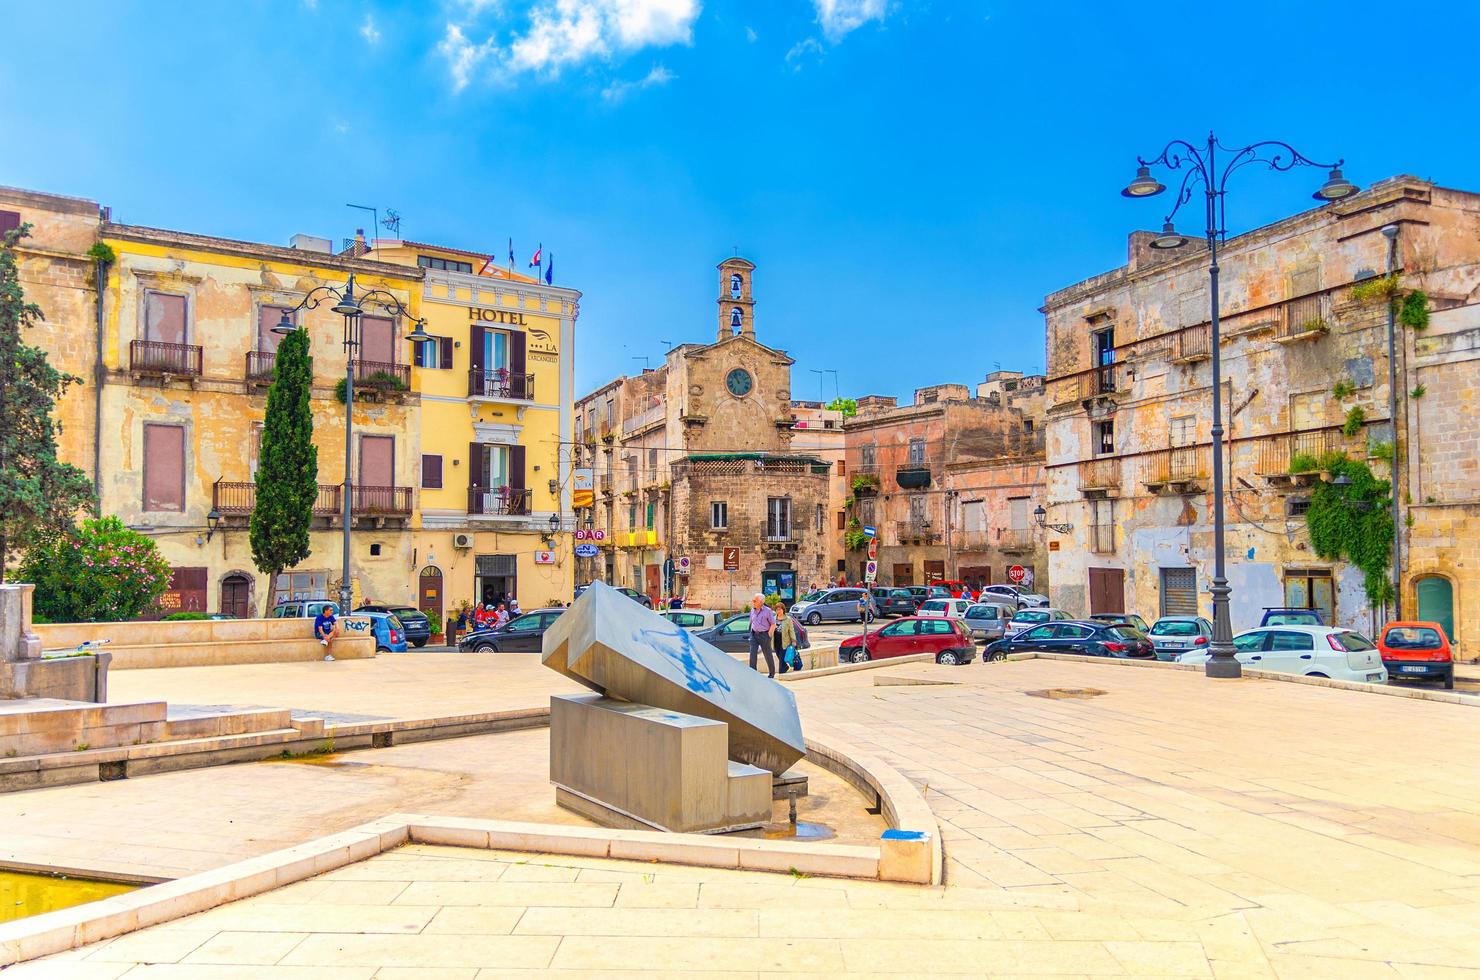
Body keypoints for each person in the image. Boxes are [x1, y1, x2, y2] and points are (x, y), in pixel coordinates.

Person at [747, 593, 777, 678]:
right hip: (753, 634)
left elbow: (773, 624)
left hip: (764, 635)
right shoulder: (752, 610)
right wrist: (751, 632)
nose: (753, 602)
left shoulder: (768, 611)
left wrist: (768, 635)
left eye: (754, 601)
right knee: (752, 654)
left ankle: (772, 673)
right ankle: (753, 674)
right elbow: (751, 621)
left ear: (760, 602)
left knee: (767, 654)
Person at [777, 610, 800, 675]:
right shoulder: (774, 618)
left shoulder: (788, 619)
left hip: (785, 641)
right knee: (778, 655)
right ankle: (785, 667)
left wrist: (793, 640)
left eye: (779, 609)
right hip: (776, 641)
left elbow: (791, 631)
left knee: (782, 657)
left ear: (783, 610)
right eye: (777, 609)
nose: (778, 611)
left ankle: (781, 671)